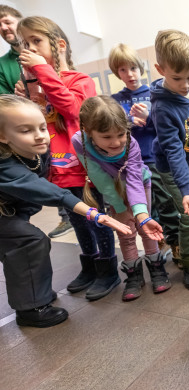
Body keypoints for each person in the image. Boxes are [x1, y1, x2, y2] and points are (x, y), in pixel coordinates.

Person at [0, 95, 131, 327]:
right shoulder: (5, 165)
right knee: (30, 241)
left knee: (26, 241)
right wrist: (95, 213)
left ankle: (33, 293)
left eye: (42, 127)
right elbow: (46, 190)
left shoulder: (36, 152)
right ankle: (31, 308)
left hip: (9, 212)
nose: (39, 135)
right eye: (26, 130)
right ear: (2, 136)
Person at [15, 16, 119, 301]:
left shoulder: (80, 81)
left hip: (83, 169)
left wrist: (43, 71)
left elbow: (73, 110)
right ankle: (90, 265)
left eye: (36, 40)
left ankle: (108, 269)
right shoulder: (37, 85)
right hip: (57, 170)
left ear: (59, 45)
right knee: (77, 221)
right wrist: (26, 97)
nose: (29, 48)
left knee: (96, 219)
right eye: (25, 43)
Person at [73, 95, 171, 301]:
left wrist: (141, 214)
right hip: (111, 189)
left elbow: (135, 178)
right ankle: (134, 276)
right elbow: (99, 177)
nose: (116, 142)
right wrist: (119, 207)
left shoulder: (131, 143)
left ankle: (157, 269)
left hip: (140, 184)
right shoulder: (79, 141)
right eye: (107, 137)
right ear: (88, 132)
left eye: (121, 134)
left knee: (145, 228)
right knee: (125, 233)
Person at [0, 5, 73, 237]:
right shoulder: (5, 63)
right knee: (37, 182)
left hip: (65, 148)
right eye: (26, 43)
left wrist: (40, 70)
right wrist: (22, 100)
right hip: (31, 138)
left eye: (7, 21)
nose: (3, 27)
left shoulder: (54, 67)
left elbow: (69, 106)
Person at [108, 43, 180, 264]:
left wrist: (149, 118)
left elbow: (167, 126)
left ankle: (176, 243)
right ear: (117, 73)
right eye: (123, 70)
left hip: (156, 159)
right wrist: (129, 121)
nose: (129, 74)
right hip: (130, 163)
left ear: (141, 68)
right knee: (145, 206)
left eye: (133, 68)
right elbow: (111, 129)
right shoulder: (115, 100)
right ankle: (159, 242)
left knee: (166, 202)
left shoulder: (154, 94)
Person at [150, 29, 189, 290]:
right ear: (160, 69)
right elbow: (173, 152)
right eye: (177, 78)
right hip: (172, 170)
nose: (186, 84)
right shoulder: (162, 108)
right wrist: (186, 191)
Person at [0, 4, 21, 94]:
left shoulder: (46, 51)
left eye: (7, 22)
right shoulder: (1, 65)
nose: (3, 28)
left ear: (21, 23)